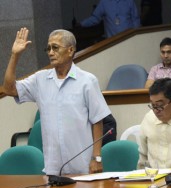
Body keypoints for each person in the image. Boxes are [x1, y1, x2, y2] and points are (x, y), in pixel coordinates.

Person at [3, 28, 111, 175]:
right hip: (53, 168)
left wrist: (96, 158)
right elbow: (9, 89)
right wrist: (15, 55)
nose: (50, 53)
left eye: (55, 47)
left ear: (70, 50)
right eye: (48, 48)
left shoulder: (87, 81)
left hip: (83, 166)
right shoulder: (40, 79)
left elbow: (97, 120)